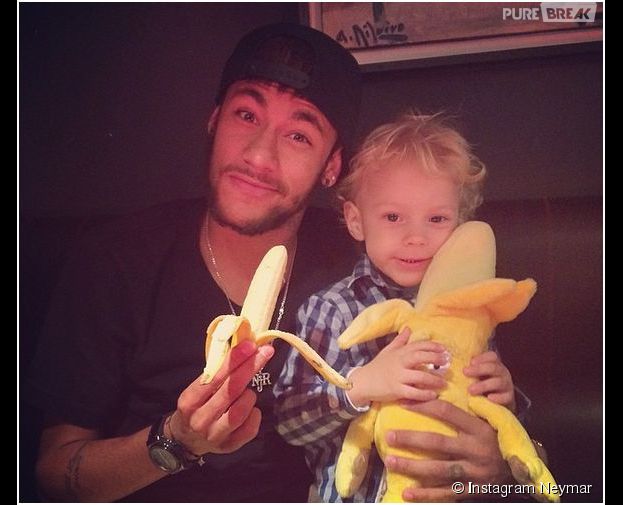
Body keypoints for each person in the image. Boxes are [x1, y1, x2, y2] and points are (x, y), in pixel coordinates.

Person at [27, 23, 514, 503]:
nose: (259, 155)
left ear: (331, 166)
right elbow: (54, 473)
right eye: (246, 114)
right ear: (215, 120)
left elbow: (476, 396)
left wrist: (496, 471)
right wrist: (175, 441)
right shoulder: (119, 259)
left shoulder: (373, 258)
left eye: (299, 135)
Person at [274, 112, 522, 502]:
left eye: (437, 218)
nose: (415, 237)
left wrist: (505, 396)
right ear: (356, 221)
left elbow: (491, 422)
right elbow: (289, 420)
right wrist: (361, 386)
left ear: (461, 224)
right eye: (393, 217)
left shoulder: (470, 309)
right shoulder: (333, 308)